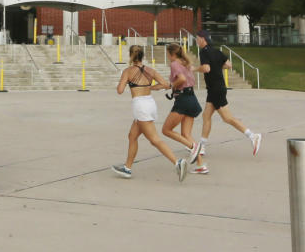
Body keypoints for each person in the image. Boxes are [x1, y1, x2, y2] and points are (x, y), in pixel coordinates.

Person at [112, 44, 188, 181]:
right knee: (132, 136)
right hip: (150, 104)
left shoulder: (128, 71)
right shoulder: (150, 70)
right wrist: (151, 87)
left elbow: (120, 90)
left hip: (140, 106)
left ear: (131, 56)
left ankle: (178, 162)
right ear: (143, 56)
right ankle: (127, 168)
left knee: (154, 140)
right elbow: (166, 84)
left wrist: (123, 81)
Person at [195, 29, 261, 156]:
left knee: (227, 118)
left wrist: (194, 68)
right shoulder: (217, 51)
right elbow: (229, 65)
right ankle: (202, 147)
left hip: (215, 89)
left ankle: (253, 136)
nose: (196, 41)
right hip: (216, 88)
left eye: (197, 38)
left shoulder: (203, 52)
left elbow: (206, 68)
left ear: (203, 39)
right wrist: (216, 66)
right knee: (206, 116)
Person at [161, 43, 208, 175]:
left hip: (183, 100)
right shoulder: (184, 63)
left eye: (167, 53)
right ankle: (201, 165)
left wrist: (171, 85)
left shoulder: (175, 64)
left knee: (166, 130)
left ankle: (194, 148)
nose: (167, 56)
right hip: (191, 98)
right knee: (186, 134)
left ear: (172, 54)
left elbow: (181, 79)